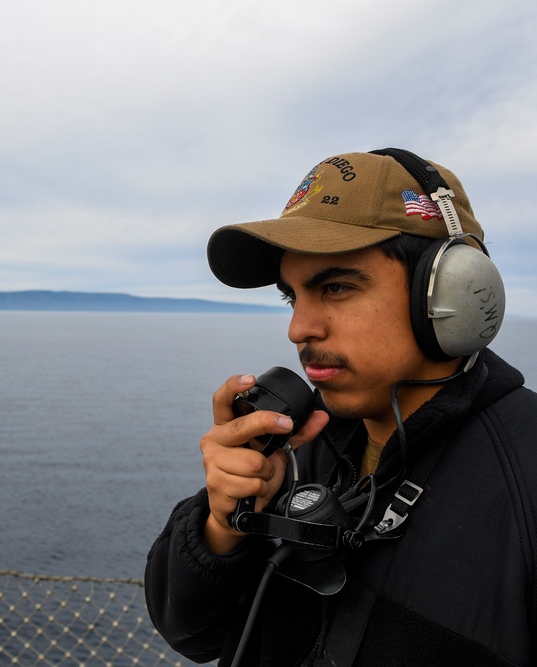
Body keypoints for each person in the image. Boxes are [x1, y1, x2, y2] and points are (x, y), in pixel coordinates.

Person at [144, 149, 537, 666]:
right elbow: (192, 634)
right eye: (292, 297)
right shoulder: (297, 448)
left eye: (336, 287)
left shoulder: (525, 474)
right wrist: (224, 523)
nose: (298, 329)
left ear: (453, 293)